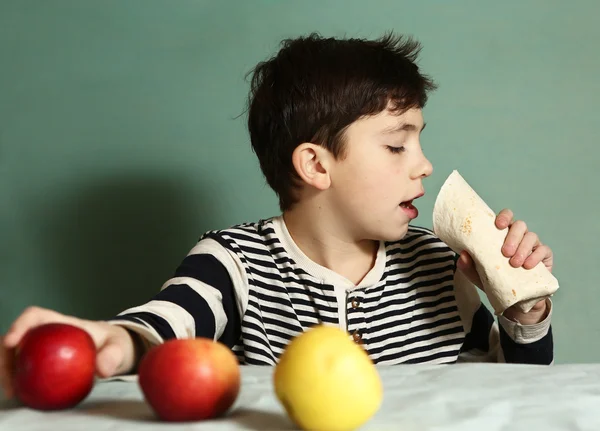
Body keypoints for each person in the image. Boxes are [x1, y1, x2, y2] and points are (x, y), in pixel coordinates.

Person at [0, 32, 555, 397]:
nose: (425, 166)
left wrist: (523, 309)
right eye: (396, 146)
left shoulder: (438, 265)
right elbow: (162, 329)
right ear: (316, 164)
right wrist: (108, 342)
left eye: (420, 142)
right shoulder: (232, 262)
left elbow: (511, 394)